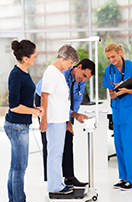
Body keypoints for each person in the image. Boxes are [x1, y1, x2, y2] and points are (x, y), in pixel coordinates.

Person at [35, 58, 95, 187]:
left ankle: (69, 177)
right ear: (78, 67)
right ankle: (52, 179)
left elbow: (76, 101)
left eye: (87, 78)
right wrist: (68, 118)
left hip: (64, 107)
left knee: (68, 137)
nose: (84, 80)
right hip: (44, 100)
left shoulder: (81, 81)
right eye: (84, 75)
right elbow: (54, 99)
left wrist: (72, 119)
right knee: (50, 140)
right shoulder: (61, 73)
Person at [4, 40, 43, 202]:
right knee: (20, 167)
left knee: (15, 166)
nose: (36, 57)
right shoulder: (17, 75)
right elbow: (14, 106)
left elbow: (23, 100)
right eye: (34, 55)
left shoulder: (23, 72)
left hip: (19, 124)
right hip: (17, 125)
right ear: (26, 58)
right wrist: (35, 112)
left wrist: (35, 109)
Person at [102, 43, 132, 191]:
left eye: (113, 57)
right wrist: (115, 92)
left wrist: (126, 89)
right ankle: (123, 178)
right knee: (119, 146)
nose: (111, 60)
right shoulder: (108, 70)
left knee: (130, 147)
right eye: (109, 58)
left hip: (131, 113)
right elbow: (111, 93)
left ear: (120, 52)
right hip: (118, 113)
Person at [39, 45, 80, 194]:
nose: (71, 67)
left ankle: (57, 184)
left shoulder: (59, 72)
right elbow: (44, 95)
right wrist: (44, 119)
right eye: (70, 63)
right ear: (63, 59)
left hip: (59, 120)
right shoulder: (51, 72)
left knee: (57, 153)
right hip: (53, 120)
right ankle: (55, 187)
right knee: (54, 153)